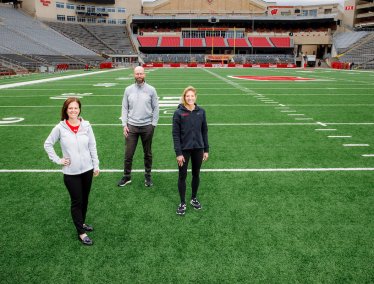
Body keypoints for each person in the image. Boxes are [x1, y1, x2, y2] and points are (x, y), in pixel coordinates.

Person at [44, 97, 99, 246]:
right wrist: (58, 160)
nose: (73, 111)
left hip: (87, 169)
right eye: (70, 108)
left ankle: (81, 223)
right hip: (71, 172)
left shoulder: (86, 125)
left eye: (75, 108)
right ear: (66, 110)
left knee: (85, 199)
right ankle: (81, 233)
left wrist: (96, 164)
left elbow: (92, 145)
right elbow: (48, 144)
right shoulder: (60, 128)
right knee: (77, 201)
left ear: (79, 109)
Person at [118, 66, 159, 187]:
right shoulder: (128, 90)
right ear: (134, 75)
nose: (139, 76)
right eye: (137, 74)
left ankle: (148, 176)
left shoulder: (151, 90)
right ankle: (127, 177)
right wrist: (124, 124)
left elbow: (156, 107)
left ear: (144, 74)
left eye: (141, 74)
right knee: (128, 154)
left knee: (148, 153)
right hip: (132, 127)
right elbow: (124, 108)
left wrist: (153, 124)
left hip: (147, 126)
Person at [172, 86, 209, 216]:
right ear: (184, 97)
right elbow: (175, 134)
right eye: (187, 96)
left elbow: (204, 131)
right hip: (184, 150)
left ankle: (193, 198)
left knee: (196, 174)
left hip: (198, 148)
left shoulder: (201, 112)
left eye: (192, 96)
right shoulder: (178, 113)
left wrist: (206, 149)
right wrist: (178, 153)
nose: (190, 98)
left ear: (195, 97)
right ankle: (182, 202)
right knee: (182, 176)